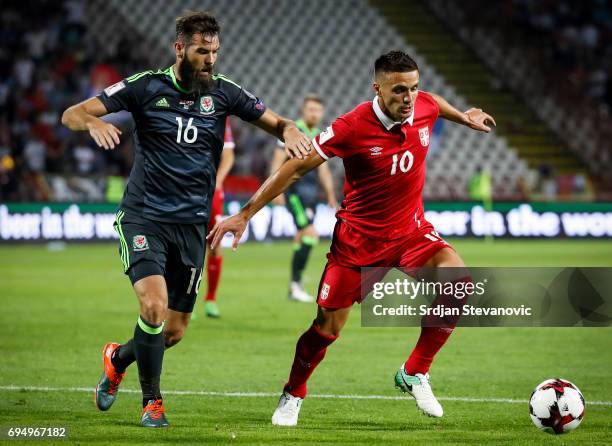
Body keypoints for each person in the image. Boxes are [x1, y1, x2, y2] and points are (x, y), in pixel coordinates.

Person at [208, 50, 495, 426]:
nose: (408, 99)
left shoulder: (421, 104)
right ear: (377, 88)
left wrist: (463, 116)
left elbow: (434, 104)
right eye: (398, 91)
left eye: (413, 88)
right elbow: (294, 169)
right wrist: (245, 213)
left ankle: (414, 371)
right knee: (326, 329)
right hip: (359, 245)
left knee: (458, 284)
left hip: (411, 232)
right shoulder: (352, 126)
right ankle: (293, 394)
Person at [61, 11, 312, 427]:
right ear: (179, 48)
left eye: (214, 50)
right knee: (154, 306)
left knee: (173, 331)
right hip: (144, 218)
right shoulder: (145, 86)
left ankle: (117, 358)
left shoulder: (225, 92)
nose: (210, 59)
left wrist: (288, 132)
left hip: (192, 226)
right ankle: (152, 403)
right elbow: (72, 112)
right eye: (201, 50)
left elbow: (278, 122)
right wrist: (90, 122)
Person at [270, 94, 338, 302]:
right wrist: (275, 190)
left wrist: (330, 195)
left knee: (301, 237)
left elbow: (323, 170)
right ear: (303, 111)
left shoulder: (319, 135)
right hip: (294, 192)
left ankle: (294, 287)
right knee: (310, 235)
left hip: (311, 195)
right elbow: (277, 161)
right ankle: (296, 285)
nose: (314, 114)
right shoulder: (292, 132)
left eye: (317, 110)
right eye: (311, 109)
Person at [201, 118, 236, 318]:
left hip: (212, 191)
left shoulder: (219, 115)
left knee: (214, 243)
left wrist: (218, 181)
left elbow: (229, 155)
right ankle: (179, 302)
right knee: (185, 244)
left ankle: (211, 299)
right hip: (185, 188)